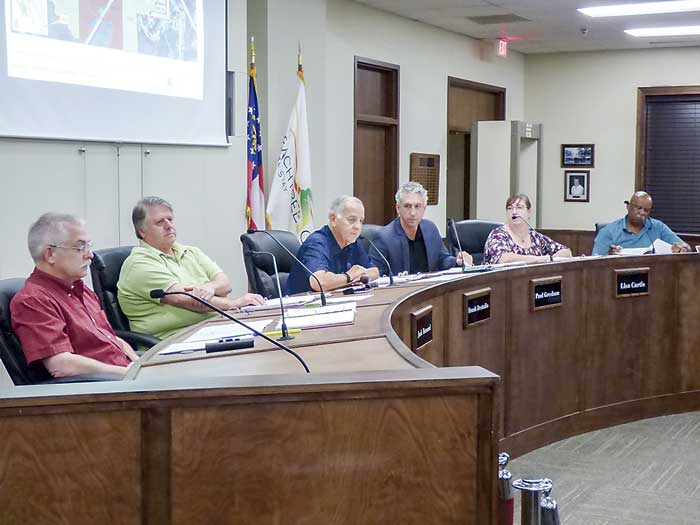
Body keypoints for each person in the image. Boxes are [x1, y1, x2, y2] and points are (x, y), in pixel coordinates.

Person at [11, 213, 137, 378]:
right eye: (80, 247)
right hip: (101, 392)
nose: (90, 255)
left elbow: (111, 339)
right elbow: (60, 365)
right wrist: (129, 374)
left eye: (88, 246)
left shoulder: (81, 290)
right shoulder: (33, 301)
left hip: (124, 376)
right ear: (50, 254)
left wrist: (140, 366)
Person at [118, 197, 264, 339]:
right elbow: (187, 300)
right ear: (141, 231)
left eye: (170, 219)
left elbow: (225, 284)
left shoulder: (190, 252)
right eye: (159, 222)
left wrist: (210, 287)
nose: (169, 225)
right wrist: (233, 304)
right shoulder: (139, 264)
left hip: (212, 330)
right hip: (172, 342)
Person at [370, 181, 472, 275]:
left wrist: (456, 261)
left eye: (417, 206)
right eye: (407, 206)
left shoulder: (430, 228)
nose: (413, 213)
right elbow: (378, 276)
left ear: (424, 208)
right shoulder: (384, 238)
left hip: (429, 290)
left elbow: (442, 259)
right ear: (398, 208)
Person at [286, 196, 379, 295]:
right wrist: (349, 276)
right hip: (302, 306)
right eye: (352, 220)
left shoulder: (351, 242)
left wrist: (360, 275)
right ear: (333, 219)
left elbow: (374, 271)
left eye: (361, 221)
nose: (358, 227)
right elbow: (319, 282)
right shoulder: (316, 243)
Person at [483, 194, 572, 264]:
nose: (514, 212)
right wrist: (540, 259)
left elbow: (567, 253)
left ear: (529, 212)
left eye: (519, 207)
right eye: (510, 208)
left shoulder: (536, 237)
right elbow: (503, 259)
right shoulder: (498, 235)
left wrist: (553, 258)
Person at [592, 191, 690, 255]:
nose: (642, 213)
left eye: (646, 210)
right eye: (638, 208)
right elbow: (594, 262)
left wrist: (682, 248)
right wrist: (610, 256)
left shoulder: (658, 227)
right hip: (620, 278)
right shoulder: (609, 231)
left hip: (654, 277)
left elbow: (686, 247)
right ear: (628, 206)